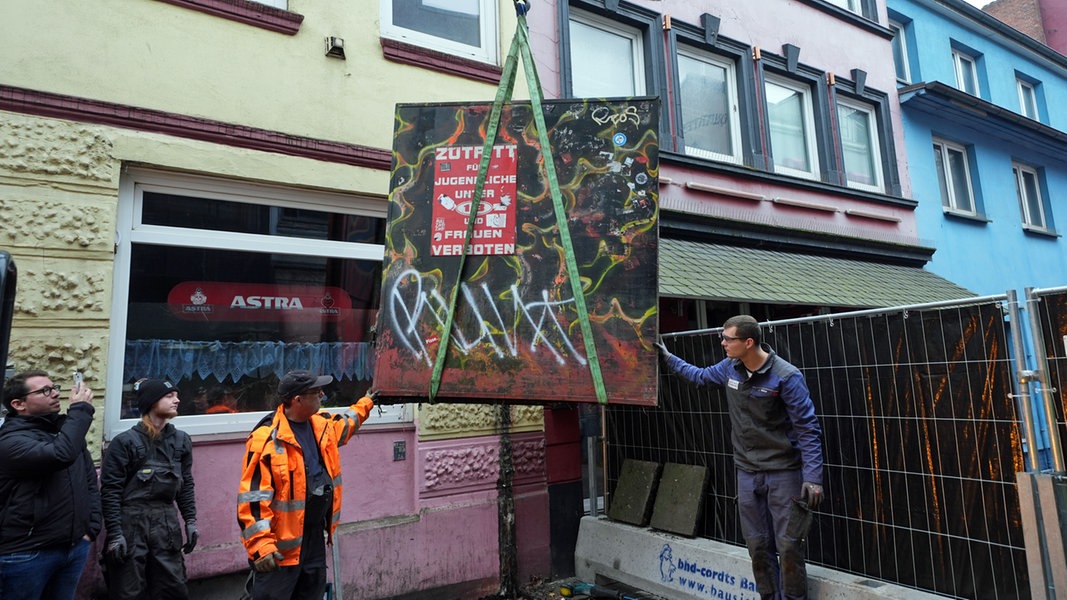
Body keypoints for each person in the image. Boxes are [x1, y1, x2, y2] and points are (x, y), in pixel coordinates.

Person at [657, 315, 824, 600]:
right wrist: (668, 356)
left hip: (783, 472)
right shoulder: (730, 368)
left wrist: (813, 478)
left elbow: (808, 429)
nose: (722, 343)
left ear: (748, 342)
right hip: (747, 473)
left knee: (788, 547)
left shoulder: (786, 377)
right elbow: (699, 376)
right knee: (757, 546)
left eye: (727, 338)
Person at [237, 370, 375, 600]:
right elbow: (252, 498)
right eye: (316, 391)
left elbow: (347, 423)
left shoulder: (321, 426)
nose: (322, 393)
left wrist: (368, 401)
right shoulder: (266, 440)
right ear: (297, 399)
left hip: (313, 540)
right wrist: (261, 547)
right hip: (280, 548)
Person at [0, 370, 101, 600]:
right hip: (26, 554)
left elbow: (89, 480)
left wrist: (91, 527)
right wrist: (80, 410)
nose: (56, 393)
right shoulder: (10, 441)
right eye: (45, 390)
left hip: (74, 548)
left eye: (54, 387)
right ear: (19, 404)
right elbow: (60, 455)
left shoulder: (64, 433)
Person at [99, 378, 198, 600]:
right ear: (152, 402)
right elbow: (110, 491)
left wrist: (191, 521)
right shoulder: (125, 442)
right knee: (128, 591)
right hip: (131, 523)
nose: (177, 400)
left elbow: (186, 485)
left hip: (166, 522)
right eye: (169, 396)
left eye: (176, 395)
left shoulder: (181, 441)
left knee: (173, 589)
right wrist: (115, 534)